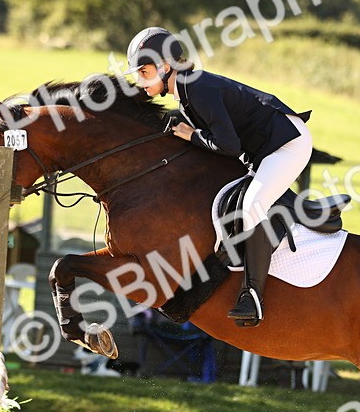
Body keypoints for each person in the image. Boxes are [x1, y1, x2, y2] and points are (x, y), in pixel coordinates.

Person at [125, 26, 313, 327]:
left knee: (251, 205)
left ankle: (252, 296)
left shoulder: (196, 87)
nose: (140, 80)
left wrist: (191, 135)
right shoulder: (185, 92)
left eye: (144, 71)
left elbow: (228, 145)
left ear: (165, 66)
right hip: (266, 150)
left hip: (287, 143)